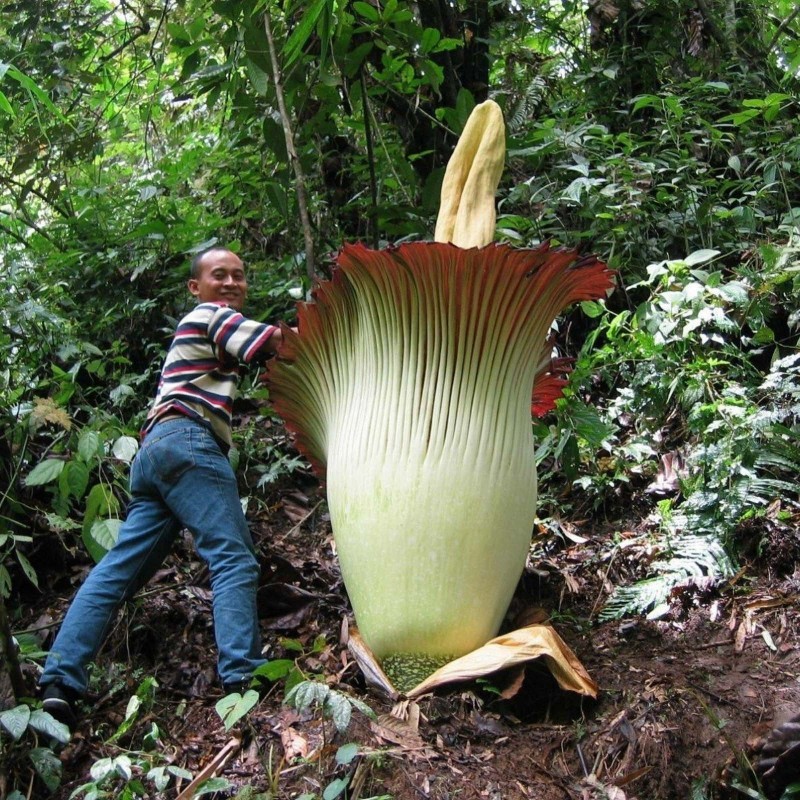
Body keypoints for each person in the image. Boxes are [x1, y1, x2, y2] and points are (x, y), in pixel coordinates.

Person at [39, 247, 288, 728]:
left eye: (240, 276)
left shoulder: (205, 328)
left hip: (154, 451)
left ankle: (59, 681)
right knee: (233, 558)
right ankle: (243, 679)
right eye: (220, 275)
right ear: (196, 287)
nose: (233, 283)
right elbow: (277, 343)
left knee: (117, 572)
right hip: (189, 442)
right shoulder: (211, 315)